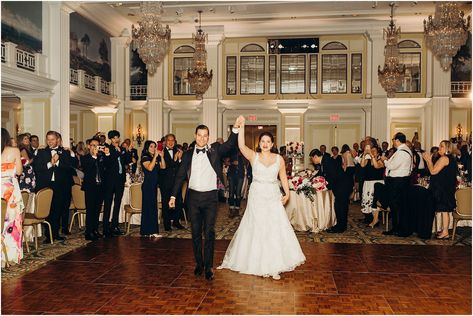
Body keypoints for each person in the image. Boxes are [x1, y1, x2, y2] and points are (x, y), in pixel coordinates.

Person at [217, 116, 305, 280]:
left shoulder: (278, 159)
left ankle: (274, 264)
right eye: (262, 141)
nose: (265, 144)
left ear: (272, 144)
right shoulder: (253, 156)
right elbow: (241, 145)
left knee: (273, 228)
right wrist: (241, 126)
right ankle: (256, 262)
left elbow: (283, 177)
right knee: (256, 226)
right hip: (257, 194)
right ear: (260, 143)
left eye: (268, 141)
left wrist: (287, 193)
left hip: (272, 195)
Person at [169, 117, 241, 281]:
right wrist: (173, 195)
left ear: (208, 137)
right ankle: (199, 264)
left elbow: (229, 144)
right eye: (199, 135)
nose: (202, 138)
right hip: (193, 198)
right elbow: (180, 176)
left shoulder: (214, 150)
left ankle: (208, 267)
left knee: (209, 232)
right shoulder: (187, 155)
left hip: (210, 198)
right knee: (195, 233)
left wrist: (235, 128)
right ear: (195, 136)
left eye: (205, 135)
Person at [34, 131, 71, 242]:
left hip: (60, 185)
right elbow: (37, 168)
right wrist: (51, 163)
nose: (50, 142)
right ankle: (48, 235)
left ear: (57, 140)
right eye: (48, 139)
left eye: (52, 139)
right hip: (45, 184)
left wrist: (58, 162)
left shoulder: (64, 152)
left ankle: (55, 233)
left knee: (57, 209)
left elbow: (68, 167)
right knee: (47, 210)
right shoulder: (41, 152)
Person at [310, 148, 353, 233]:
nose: (312, 161)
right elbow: (321, 173)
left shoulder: (327, 161)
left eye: (312, 158)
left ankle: (340, 227)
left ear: (315, 157)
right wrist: (311, 179)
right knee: (339, 206)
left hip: (343, 185)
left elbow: (333, 176)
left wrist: (326, 187)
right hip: (341, 185)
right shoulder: (324, 161)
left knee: (340, 206)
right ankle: (341, 225)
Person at [423, 140, 458, 239]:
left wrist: (428, 160)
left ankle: (445, 232)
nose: (439, 148)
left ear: (447, 148)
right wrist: (429, 161)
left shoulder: (444, 158)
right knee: (444, 210)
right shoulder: (449, 158)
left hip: (443, 189)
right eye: (439, 146)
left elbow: (433, 171)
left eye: (441, 146)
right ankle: (444, 231)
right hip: (445, 188)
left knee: (444, 210)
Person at [381, 132, 412, 236]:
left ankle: (398, 229)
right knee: (397, 206)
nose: (393, 141)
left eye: (393, 139)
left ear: (398, 140)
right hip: (400, 181)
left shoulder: (402, 152)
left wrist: (385, 160)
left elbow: (392, 166)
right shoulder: (402, 150)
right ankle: (396, 228)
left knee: (396, 206)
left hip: (398, 181)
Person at [1, 128, 24, 266]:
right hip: (9, 190)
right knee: (12, 222)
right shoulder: (14, 150)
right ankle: (10, 255)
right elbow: (20, 171)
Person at [102, 130, 131, 237]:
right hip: (109, 181)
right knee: (108, 204)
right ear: (110, 139)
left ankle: (114, 226)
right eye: (114, 138)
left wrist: (127, 151)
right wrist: (118, 152)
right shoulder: (107, 149)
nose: (116, 140)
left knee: (118, 203)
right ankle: (105, 228)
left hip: (120, 180)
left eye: (117, 137)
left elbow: (127, 161)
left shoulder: (122, 149)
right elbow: (107, 162)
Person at [80, 138, 106, 241]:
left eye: (97, 145)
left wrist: (104, 155)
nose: (95, 147)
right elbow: (87, 168)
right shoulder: (85, 158)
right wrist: (94, 156)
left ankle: (95, 230)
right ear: (89, 146)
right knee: (90, 210)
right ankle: (88, 232)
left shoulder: (101, 157)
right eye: (93, 145)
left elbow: (105, 168)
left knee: (97, 210)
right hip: (90, 187)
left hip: (100, 186)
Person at [140, 140, 166, 237]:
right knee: (148, 208)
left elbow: (163, 167)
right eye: (151, 146)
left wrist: (162, 157)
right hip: (147, 186)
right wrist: (155, 156)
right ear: (147, 148)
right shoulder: (145, 158)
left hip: (154, 185)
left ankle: (152, 231)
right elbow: (150, 168)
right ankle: (147, 231)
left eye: (154, 146)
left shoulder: (154, 158)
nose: (153, 148)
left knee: (153, 208)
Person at [160, 134, 185, 231]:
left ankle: (176, 222)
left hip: (176, 183)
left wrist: (179, 159)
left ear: (175, 141)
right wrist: (175, 160)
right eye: (169, 140)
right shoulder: (161, 152)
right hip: (165, 183)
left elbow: (181, 168)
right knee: (166, 203)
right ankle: (167, 224)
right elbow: (165, 168)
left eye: (172, 140)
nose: (171, 142)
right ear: (165, 142)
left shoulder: (177, 151)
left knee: (178, 202)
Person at [360, 146, 385, 228]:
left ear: (378, 153)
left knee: (374, 201)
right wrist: (364, 154)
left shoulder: (381, 160)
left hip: (377, 184)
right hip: (367, 184)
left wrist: (372, 156)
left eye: (374, 151)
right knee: (368, 201)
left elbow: (376, 166)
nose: (372, 152)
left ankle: (375, 220)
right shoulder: (368, 160)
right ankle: (372, 218)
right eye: (371, 151)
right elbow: (362, 165)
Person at [227, 149, 246, 218]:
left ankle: (237, 209)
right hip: (231, 175)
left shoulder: (244, 154)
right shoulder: (232, 152)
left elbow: (247, 163)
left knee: (238, 193)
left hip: (240, 175)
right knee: (231, 193)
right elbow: (226, 162)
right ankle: (231, 209)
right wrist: (232, 163)